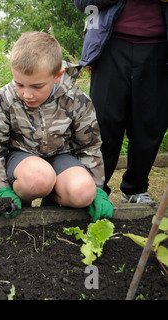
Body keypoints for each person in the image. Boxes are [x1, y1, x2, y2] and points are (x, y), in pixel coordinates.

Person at [0, 31, 112, 222]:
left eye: (37, 87)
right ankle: (17, 199)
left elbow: (89, 147)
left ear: (57, 75)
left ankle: (52, 200)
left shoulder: (76, 99)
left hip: (61, 157)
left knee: (84, 192)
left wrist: (97, 189)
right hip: (22, 161)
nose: (27, 94)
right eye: (20, 84)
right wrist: (3, 188)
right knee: (39, 179)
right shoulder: (5, 98)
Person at [73, 0, 168, 203]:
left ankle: (135, 188)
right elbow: (82, 3)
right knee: (104, 122)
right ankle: (95, 189)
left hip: (159, 48)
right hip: (110, 46)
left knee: (150, 123)